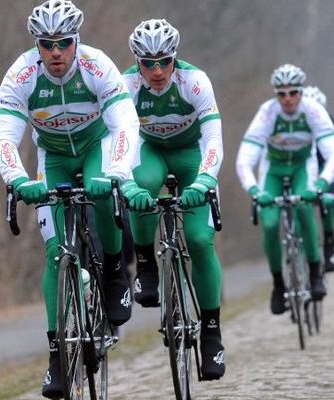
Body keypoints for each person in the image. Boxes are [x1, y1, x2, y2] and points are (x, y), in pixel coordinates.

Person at [0, 1, 139, 397]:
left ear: (77, 41)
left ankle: (112, 272)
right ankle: (57, 356)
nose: (56, 52)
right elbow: (4, 136)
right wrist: (19, 180)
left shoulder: (97, 66)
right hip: (52, 157)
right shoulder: (21, 75)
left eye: (64, 43)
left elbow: (125, 122)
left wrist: (117, 172)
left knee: (104, 193)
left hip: (95, 148)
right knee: (57, 254)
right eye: (47, 44)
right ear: (37, 45)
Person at [121, 19, 226, 380]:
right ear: (137, 62)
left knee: (198, 238)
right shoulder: (127, 85)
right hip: (150, 151)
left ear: (174, 59)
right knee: (143, 185)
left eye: (164, 61)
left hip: (192, 154)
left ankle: (211, 332)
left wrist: (206, 178)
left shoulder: (194, 81)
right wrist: (128, 185)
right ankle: (146, 263)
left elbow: (214, 135)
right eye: (147, 63)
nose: (156, 71)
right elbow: (122, 139)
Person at [236, 65, 334, 314]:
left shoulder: (313, 111)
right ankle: (278, 285)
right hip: (273, 169)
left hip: (301, 167)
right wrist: (254, 190)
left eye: (293, 92)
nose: (287, 99)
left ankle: (316, 273)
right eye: (281, 94)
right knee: (271, 224)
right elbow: (245, 157)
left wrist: (321, 184)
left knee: (305, 210)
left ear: (301, 92)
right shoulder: (268, 113)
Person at [302, 86, 334, 272]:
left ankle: (329, 243)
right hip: (304, 164)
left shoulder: (333, 129)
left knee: (326, 198)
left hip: (324, 164)